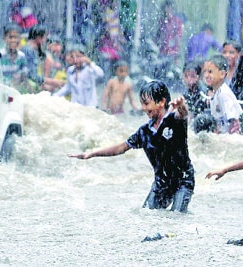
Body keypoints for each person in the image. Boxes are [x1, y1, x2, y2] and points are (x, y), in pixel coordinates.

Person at [69, 80, 195, 213]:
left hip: (183, 181)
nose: (143, 108)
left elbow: (183, 114)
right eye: (142, 104)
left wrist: (181, 106)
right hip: (161, 183)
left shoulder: (174, 120)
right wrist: (92, 153)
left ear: (161, 102)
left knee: (176, 216)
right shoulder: (145, 132)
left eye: (146, 103)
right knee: (145, 215)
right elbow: (121, 148)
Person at [203, 54, 243, 134]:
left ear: (222, 74)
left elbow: (235, 122)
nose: (206, 75)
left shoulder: (224, 94)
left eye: (210, 72)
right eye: (205, 71)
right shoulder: (215, 94)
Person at [21, 25, 64, 92]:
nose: (45, 40)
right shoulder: (28, 51)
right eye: (45, 37)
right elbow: (31, 75)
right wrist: (52, 82)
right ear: (38, 38)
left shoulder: (34, 51)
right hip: (28, 89)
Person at [181, 60, 213, 133]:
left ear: (199, 77)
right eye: (186, 76)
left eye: (192, 76)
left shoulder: (204, 92)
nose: (189, 80)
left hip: (205, 124)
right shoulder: (187, 92)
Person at [0, 23, 30, 93]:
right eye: (10, 37)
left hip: (15, 91)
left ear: (20, 39)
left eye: (16, 37)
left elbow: (24, 77)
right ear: (4, 38)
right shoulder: (0, 55)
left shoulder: (21, 57)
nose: (13, 40)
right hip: (1, 90)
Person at [155, 0, 183, 66]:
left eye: (169, 8)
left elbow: (178, 38)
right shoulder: (161, 21)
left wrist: (177, 55)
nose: (167, 10)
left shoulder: (176, 21)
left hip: (172, 53)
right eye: (166, 8)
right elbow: (158, 37)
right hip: (162, 53)